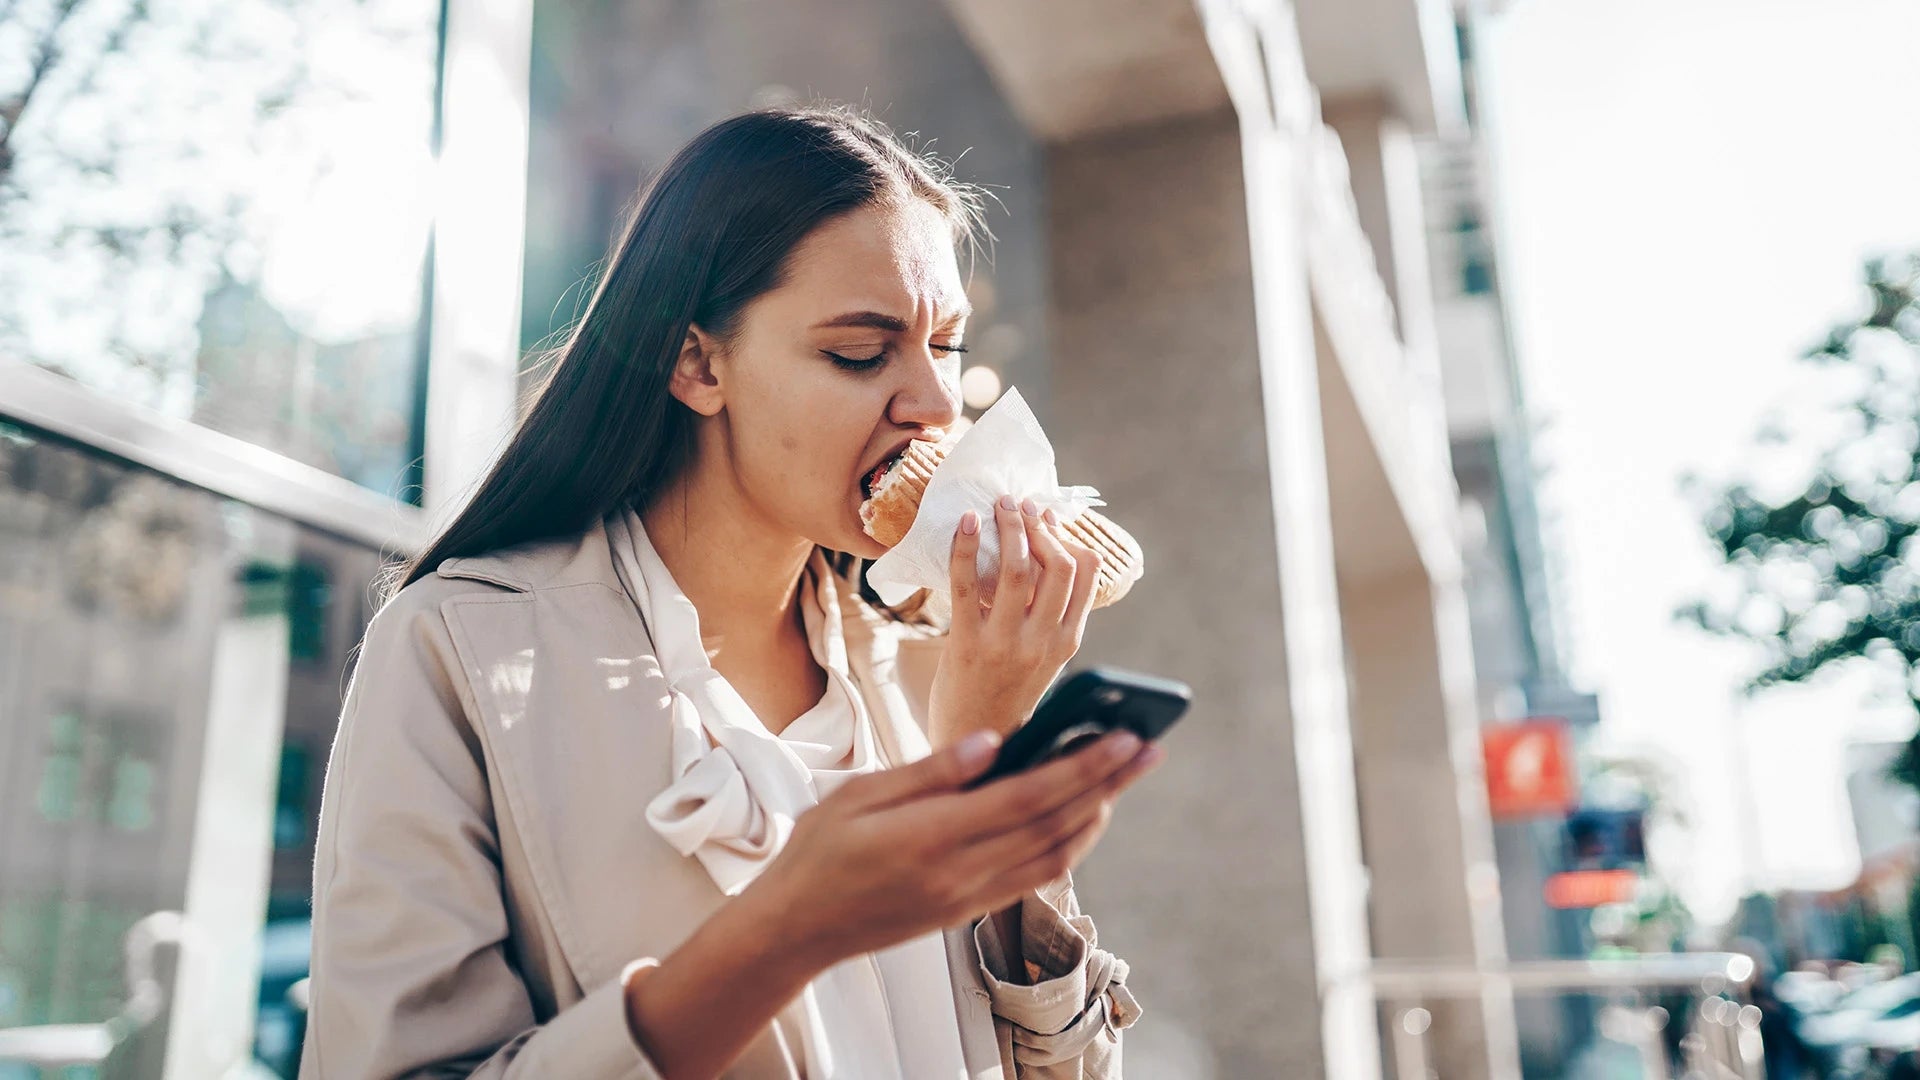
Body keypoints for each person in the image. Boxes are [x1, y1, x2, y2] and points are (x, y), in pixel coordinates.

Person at [297, 103, 1162, 1080]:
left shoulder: (931, 656)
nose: (932, 404)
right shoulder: (461, 653)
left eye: (946, 347)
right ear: (698, 361)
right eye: (859, 353)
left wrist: (993, 776)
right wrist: (785, 929)